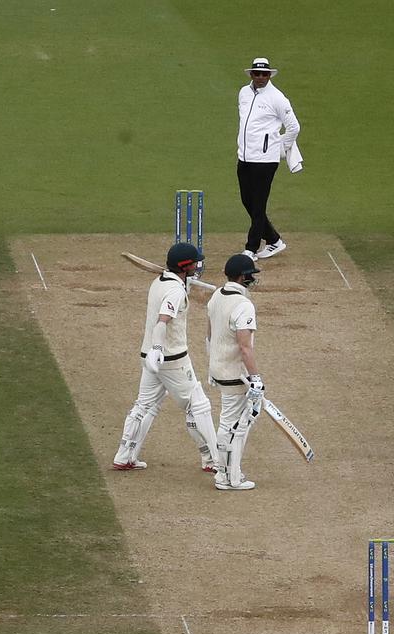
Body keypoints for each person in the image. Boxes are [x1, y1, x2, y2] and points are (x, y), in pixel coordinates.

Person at [111, 243, 222, 478]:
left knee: (145, 405)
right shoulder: (174, 290)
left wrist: (153, 350)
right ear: (184, 266)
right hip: (171, 358)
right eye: (194, 263)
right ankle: (214, 460)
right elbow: (163, 321)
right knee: (198, 406)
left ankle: (125, 456)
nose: (197, 265)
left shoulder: (160, 282)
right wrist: (159, 348)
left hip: (149, 356)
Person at [206, 254, 264, 491]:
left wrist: (211, 365)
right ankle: (229, 477)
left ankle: (226, 473)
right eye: (250, 274)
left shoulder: (216, 296)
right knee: (234, 425)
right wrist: (256, 379)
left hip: (218, 368)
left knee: (232, 422)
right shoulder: (243, 305)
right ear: (242, 276)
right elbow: (245, 347)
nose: (253, 278)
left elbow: (209, 335)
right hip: (235, 374)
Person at [236, 57, 301, 261]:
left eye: (265, 74)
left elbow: (294, 127)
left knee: (258, 204)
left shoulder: (277, 98)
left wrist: (280, 147)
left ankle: (251, 248)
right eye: (258, 73)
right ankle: (274, 240)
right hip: (244, 156)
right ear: (252, 75)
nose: (261, 77)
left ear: (270, 75)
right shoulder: (244, 93)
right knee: (247, 200)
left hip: (265, 160)